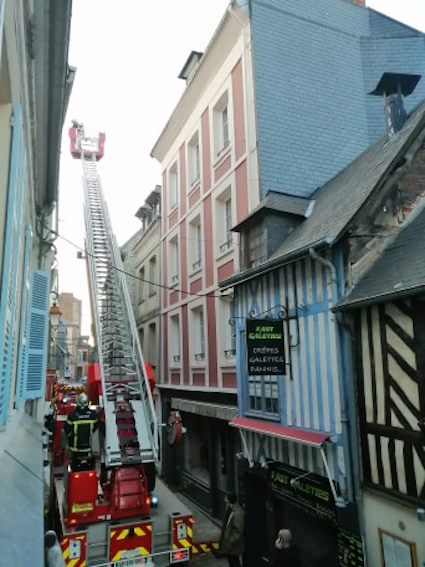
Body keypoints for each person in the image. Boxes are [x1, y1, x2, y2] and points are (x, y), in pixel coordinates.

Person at [64, 392, 98, 471]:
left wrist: (71, 438)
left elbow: (67, 430)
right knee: (89, 469)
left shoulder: (72, 416)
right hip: (88, 448)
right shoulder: (93, 415)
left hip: (75, 449)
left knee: (75, 469)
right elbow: (94, 429)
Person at [216, 492, 245, 567]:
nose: (224, 498)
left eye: (226, 497)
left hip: (233, 545)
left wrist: (230, 541)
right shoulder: (229, 507)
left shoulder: (238, 513)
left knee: (234, 561)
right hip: (228, 544)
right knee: (231, 561)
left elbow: (238, 530)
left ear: (228, 499)